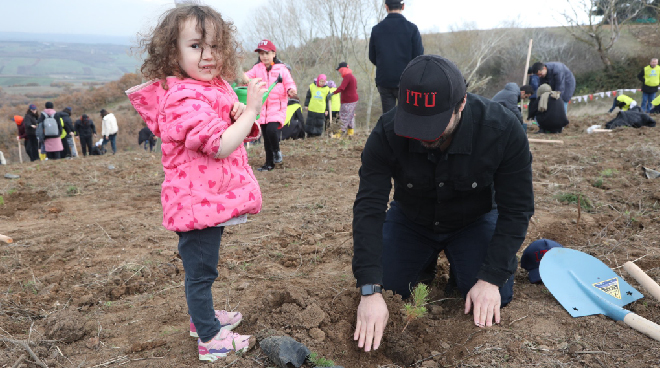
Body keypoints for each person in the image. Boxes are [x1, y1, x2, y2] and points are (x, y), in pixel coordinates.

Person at [351, 55, 533, 352]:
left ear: (460, 104)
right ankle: (423, 264)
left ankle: (462, 269)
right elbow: (369, 208)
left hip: (473, 220)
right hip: (412, 220)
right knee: (388, 287)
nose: (422, 136)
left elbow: (517, 209)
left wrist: (490, 278)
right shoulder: (386, 132)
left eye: (432, 125)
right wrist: (370, 289)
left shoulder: (501, 129)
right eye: (413, 124)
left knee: (493, 294)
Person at [127, 4, 267, 361]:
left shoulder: (208, 88)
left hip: (207, 200)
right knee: (201, 273)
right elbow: (219, 145)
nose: (208, 56)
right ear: (172, 52)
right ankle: (209, 337)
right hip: (195, 203)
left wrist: (234, 110)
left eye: (215, 47)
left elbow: (223, 125)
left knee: (204, 268)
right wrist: (250, 110)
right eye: (196, 46)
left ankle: (199, 317)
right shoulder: (183, 98)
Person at [244, 39, 297, 171]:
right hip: (261, 108)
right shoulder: (257, 69)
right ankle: (269, 164)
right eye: (261, 54)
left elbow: (289, 83)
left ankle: (277, 151)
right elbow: (246, 78)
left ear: (274, 54)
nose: (264, 57)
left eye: (267, 53)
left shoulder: (282, 69)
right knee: (266, 137)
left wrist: (291, 90)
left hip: (277, 108)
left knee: (272, 130)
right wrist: (239, 76)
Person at [369, 0, 424, 115]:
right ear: (403, 6)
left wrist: (384, 65)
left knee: (388, 117)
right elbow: (419, 56)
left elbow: (372, 56)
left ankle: (390, 133)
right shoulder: (412, 29)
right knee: (408, 115)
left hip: (384, 80)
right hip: (407, 80)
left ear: (386, 7)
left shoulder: (376, 30)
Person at [332, 62, 359, 137]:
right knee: (350, 116)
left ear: (342, 69)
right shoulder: (352, 76)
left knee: (343, 116)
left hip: (348, 100)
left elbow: (342, 87)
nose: (339, 72)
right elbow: (355, 87)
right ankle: (350, 132)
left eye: (339, 70)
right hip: (354, 100)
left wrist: (333, 93)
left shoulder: (347, 77)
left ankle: (339, 133)